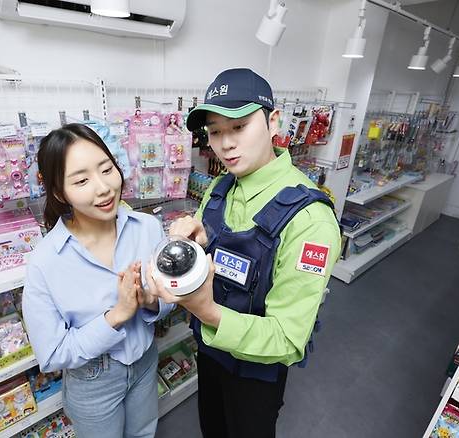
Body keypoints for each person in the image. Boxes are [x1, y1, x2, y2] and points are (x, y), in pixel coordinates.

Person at [146, 68, 341, 438]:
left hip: (257, 373)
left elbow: (287, 339)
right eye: (216, 131)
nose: (226, 144)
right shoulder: (220, 189)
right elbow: (227, 255)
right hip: (209, 352)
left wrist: (205, 311)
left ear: (273, 122)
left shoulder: (310, 220)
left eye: (239, 126)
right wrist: (196, 244)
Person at [22, 123, 174, 438]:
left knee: (145, 432)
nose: (103, 188)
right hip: (93, 380)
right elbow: (51, 355)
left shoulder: (147, 228)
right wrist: (116, 316)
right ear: (58, 192)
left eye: (107, 169)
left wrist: (151, 303)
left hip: (145, 361)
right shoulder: (45, 262)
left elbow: (169, 298)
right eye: (81, 180)